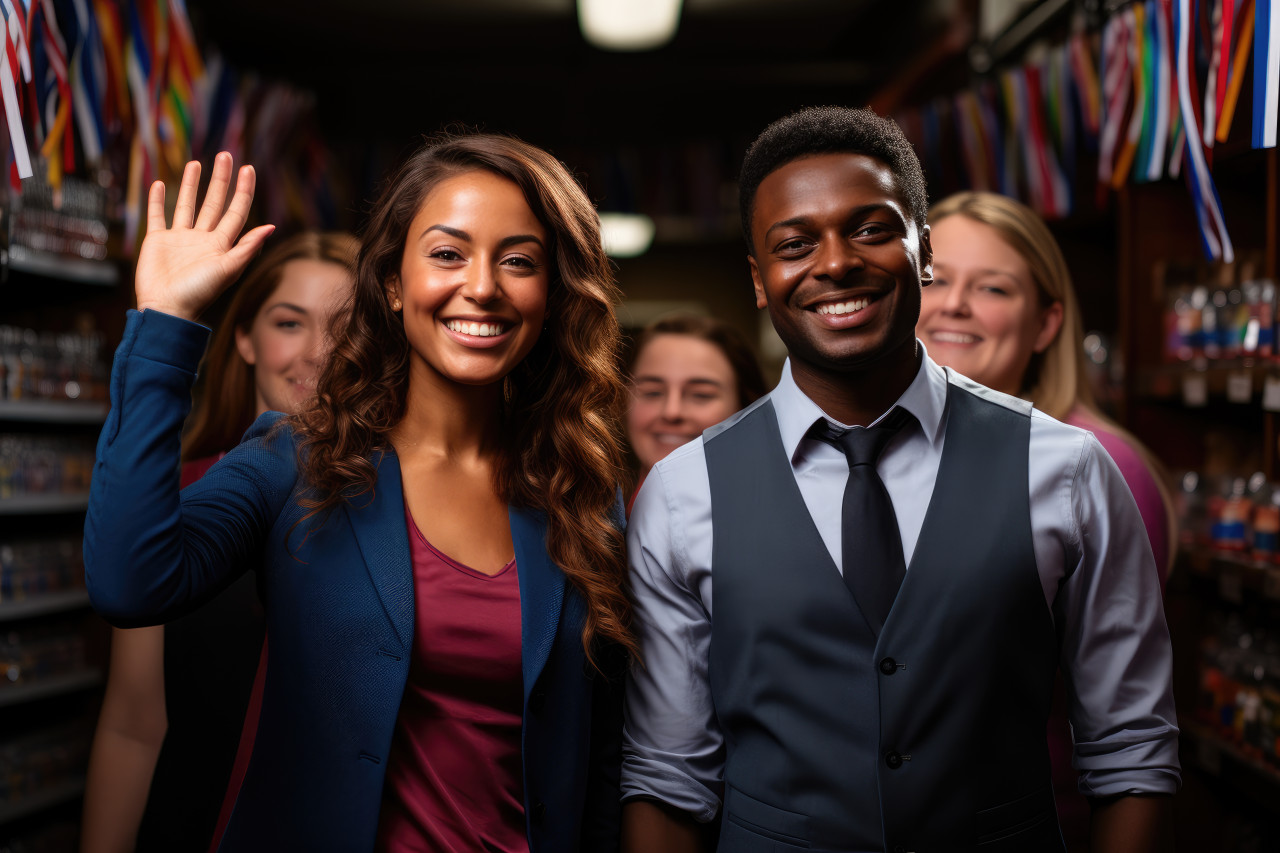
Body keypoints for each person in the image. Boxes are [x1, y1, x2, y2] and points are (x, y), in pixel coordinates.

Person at [621, 105, 1179, 853]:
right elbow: (667, 779)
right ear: (760, 281)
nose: (836, 263)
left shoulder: (1068, 468)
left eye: (871, 229)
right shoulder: (682, 491)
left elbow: (1132, 751)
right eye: (794, 244)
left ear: (923, 252)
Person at [84, 136, 633, 852]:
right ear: (394, 282)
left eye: (520, 261)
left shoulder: (582, 494)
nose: (484, 285)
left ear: (552, 296)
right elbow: (131, 582)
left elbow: (604, 759)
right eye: (447, 253)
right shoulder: (296, 458)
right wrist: (165, 324)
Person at [81, 231, 358, 853]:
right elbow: (133, 724)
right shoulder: (170, 502)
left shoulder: (401, 510)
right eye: (290, 323)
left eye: (345, 328)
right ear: (244, 339)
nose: (318, 354)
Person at [918, 190, 1178, 848]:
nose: (954, 304)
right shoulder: (896, 449)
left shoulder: (1098, 462)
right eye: (935, 278)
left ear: (1045, 322)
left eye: (993, 287)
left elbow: (1125, 718)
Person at [626, 314, 765, 503]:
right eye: (652, 392)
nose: (671, 412)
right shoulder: (590, 520)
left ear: (746, 408)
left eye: (701, 395)